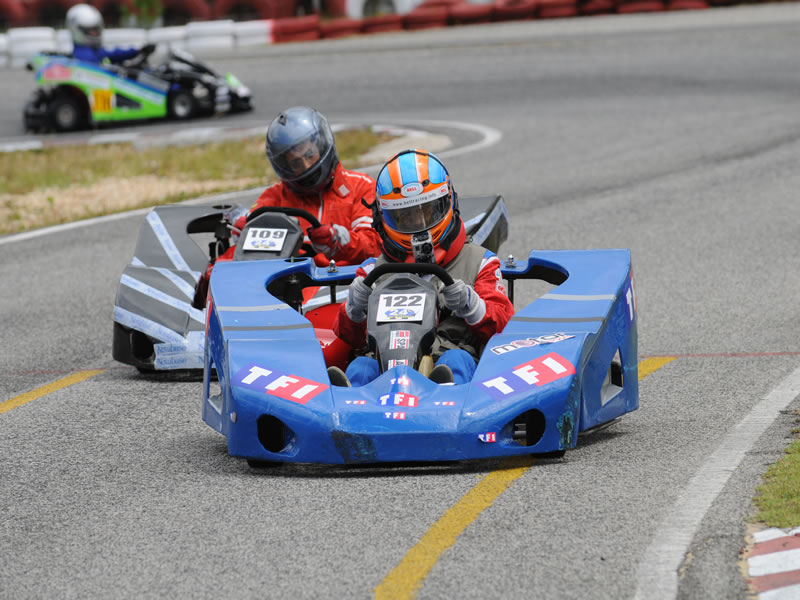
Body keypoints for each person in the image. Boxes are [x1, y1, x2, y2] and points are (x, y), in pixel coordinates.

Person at [331, 149, 515, 386]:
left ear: (448, 203)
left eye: (427, 211)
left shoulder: (480, 262)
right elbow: (350, 338)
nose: (419, 223)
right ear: (383, 217)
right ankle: (348, 409)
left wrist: (472, 305)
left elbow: (504, 325)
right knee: (360, 366)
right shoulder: (372, 272)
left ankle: (447, 400)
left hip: (450, 357)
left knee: (455, 361)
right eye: (405, 216)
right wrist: (353, 310)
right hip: (384, 366)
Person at [192, 106, 382, 308]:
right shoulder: (274, 198)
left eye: (309, 155)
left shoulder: (361, 186)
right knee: (219, 273)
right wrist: (245, 231)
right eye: (296, 162)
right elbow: (250, 244)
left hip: (344, 291)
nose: (307, 166)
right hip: (288, 298)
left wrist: (338, 241)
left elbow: (375, 245)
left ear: (322, 145)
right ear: (284, 165)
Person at [66, 4, 155, 65]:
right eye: (91, 31)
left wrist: (138, 51)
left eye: (97, 29)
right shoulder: (83, 56)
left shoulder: (95, 50)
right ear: (78, 30)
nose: (96, 33)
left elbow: (113, 54)